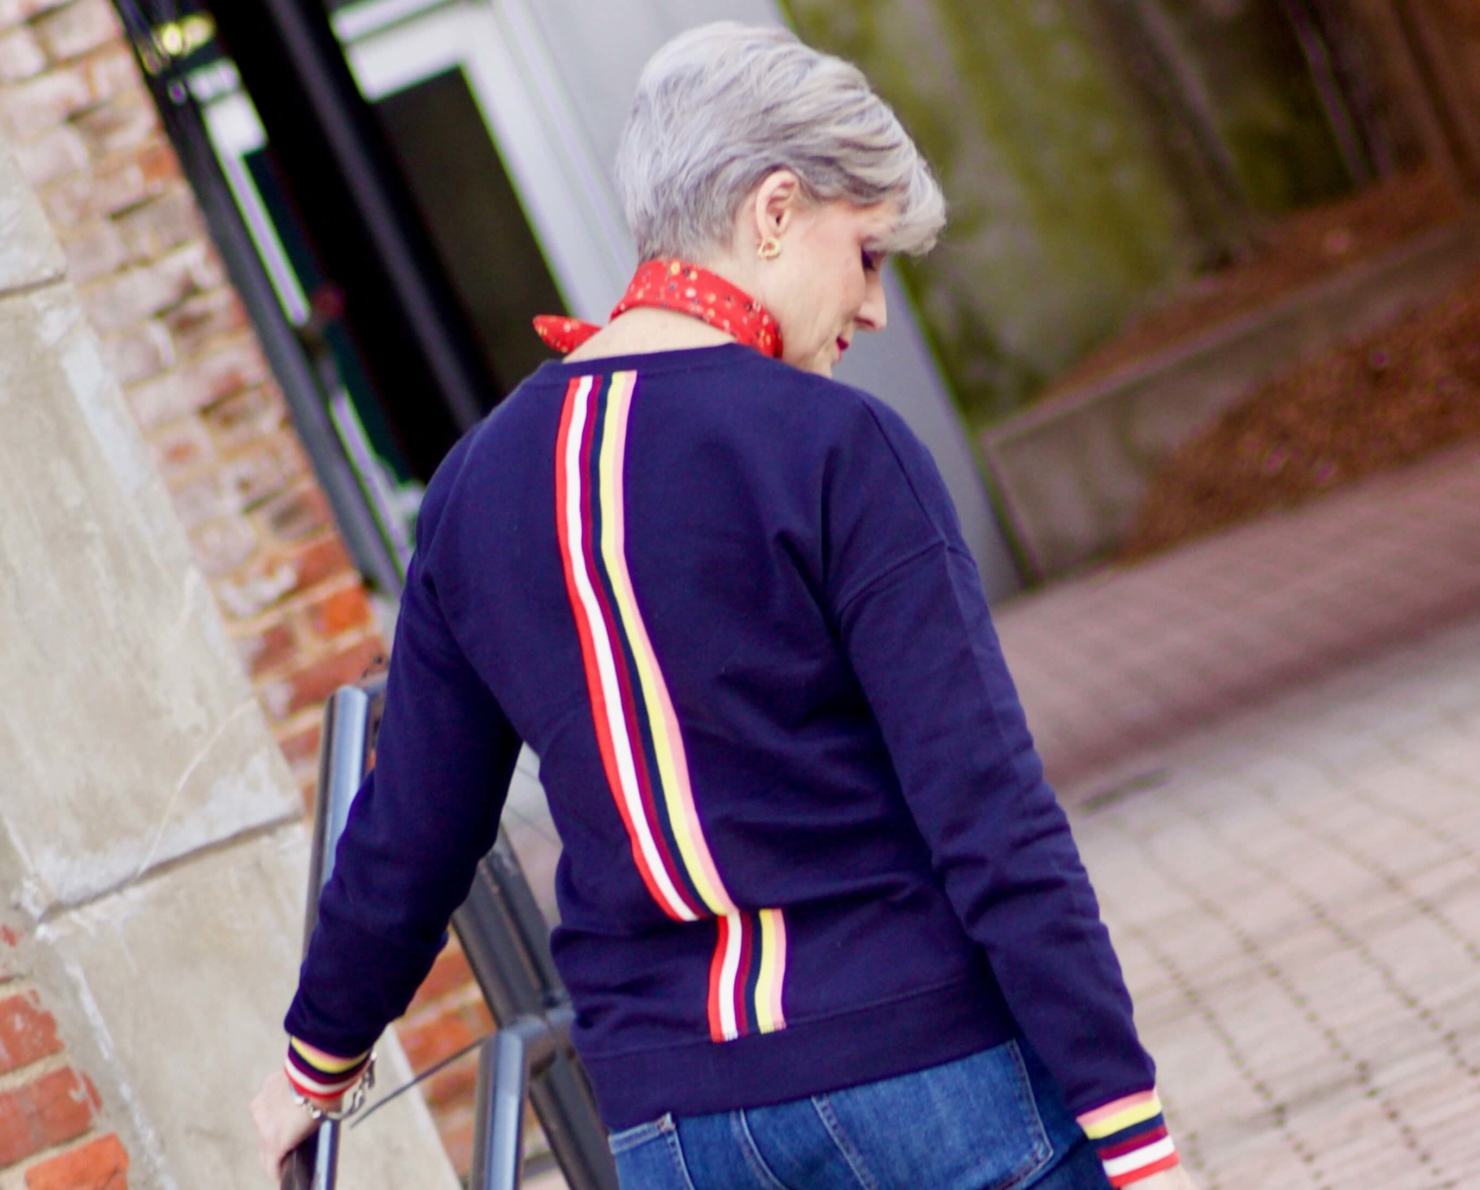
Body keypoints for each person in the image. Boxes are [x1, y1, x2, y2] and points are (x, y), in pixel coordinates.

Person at [254, 22, 1198, 1190]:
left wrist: (313, 1063)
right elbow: (992, 818)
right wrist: (1131, 1127)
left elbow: (412, 832)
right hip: (924, 1075)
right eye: (868, 255)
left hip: (677, 1127)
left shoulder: (476, 485)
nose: (876, 312)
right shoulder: (838, 449)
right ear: (773, 210)